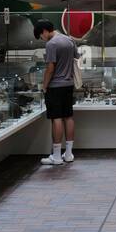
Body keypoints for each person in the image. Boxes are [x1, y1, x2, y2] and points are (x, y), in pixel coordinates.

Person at [35, 19, 77, 165]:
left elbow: (50, 68)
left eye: (41, 35)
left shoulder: (51, 44)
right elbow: (76, 57)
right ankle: (69, 154)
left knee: (57, 119)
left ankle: (57, 156)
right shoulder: (69, 39)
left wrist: (44, 86)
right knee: (68, 117)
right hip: (69, 84)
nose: (42, 38)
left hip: (55, 86)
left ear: (44, 31)